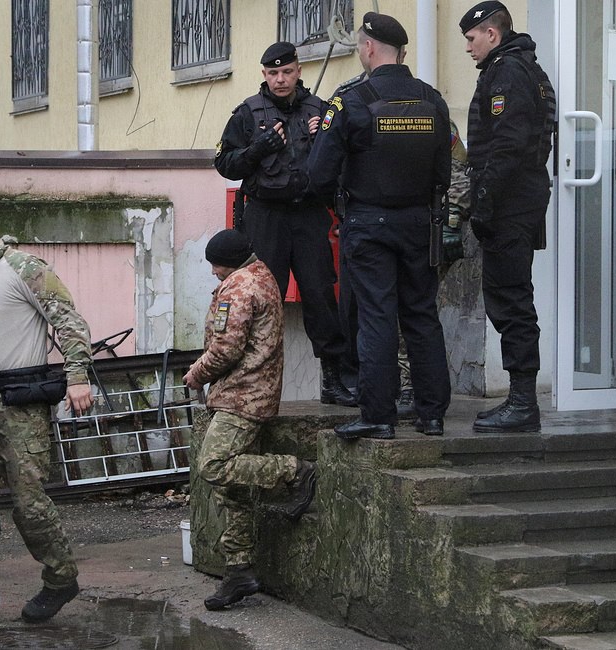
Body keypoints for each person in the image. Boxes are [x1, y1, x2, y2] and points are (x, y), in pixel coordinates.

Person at [0, 209, 94, 623]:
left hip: (20, 402)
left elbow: (68, 319)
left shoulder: (22, 266)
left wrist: (77, 375)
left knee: (29, 503)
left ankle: (61, 579)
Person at [308, 12, 452, 440]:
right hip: (420, 223)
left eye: (358, 45)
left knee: (375, 317)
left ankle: (378, 414)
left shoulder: (351, 101)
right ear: (401, 52)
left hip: (369, 224)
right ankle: (432, 415)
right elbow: (445, 171)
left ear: (369, 48)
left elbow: (318, 174)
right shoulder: (433, 100)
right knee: (422, 316)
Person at [214, 41, 355, 408]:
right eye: (273, 73)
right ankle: (256, 382)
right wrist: (257, 149)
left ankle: (334, 380)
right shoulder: (247, 113)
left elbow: (342, 161)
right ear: (264, 75)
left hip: (309, 215)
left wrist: (322, 136)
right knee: (262, 300)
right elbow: (226, 164)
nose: (280, 79)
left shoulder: (320, 110)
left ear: (298, 71)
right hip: (265, 216)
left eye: (287, 72)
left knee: (321, 295)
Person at [183, 229, 317, 611]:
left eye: (214, 265)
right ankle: (238, 571)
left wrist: (196, 374)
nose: (213, 273)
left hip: (242, 396)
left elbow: (226, 349)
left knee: (214, 464)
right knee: (234, 490)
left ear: (226, 260)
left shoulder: (239, 287)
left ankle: (295, 471)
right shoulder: (262, 275)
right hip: (254, 392)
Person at [460, 1, 555, 433]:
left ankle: (521, 403)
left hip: (510, 204)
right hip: (520, 200)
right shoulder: (523, 68)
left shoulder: (508, 72)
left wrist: (484, 201)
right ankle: (520, 401)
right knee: (511, 297)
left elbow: (508, 145)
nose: (468, 48)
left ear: (492, 34)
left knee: (511, 299)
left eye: (471, 38)